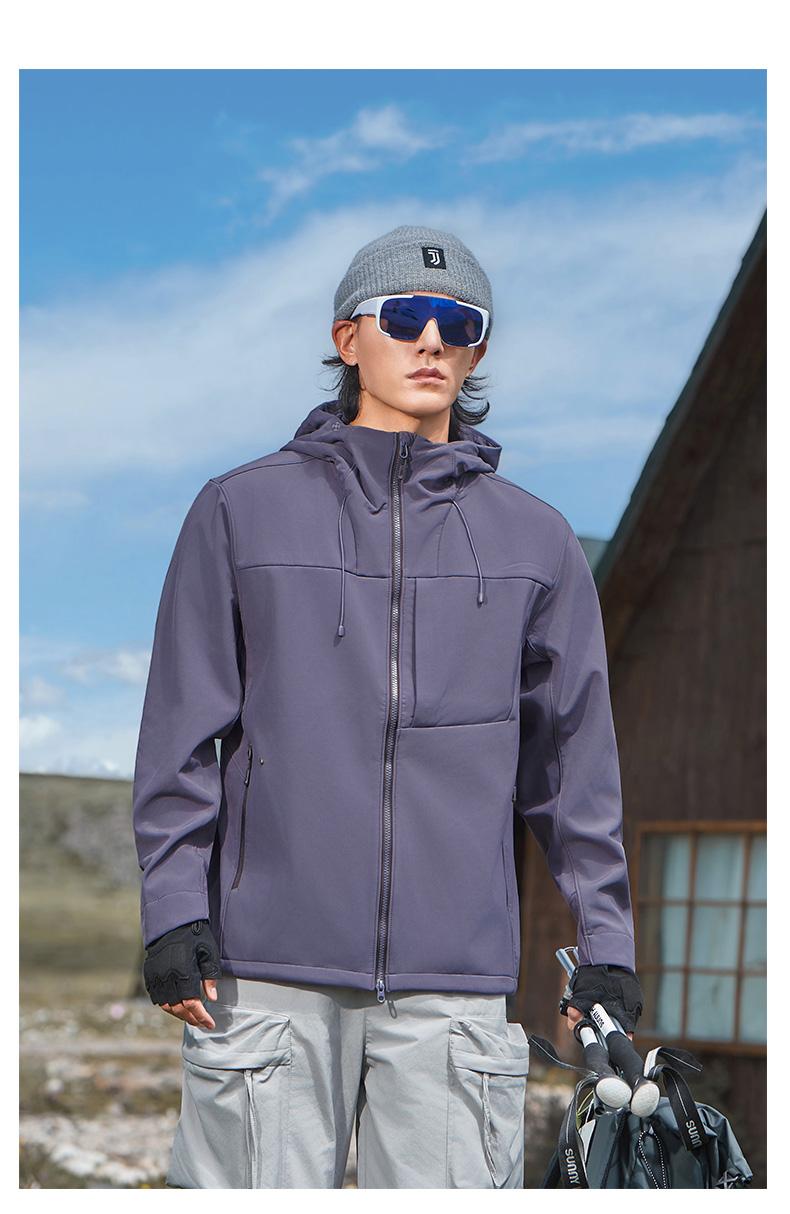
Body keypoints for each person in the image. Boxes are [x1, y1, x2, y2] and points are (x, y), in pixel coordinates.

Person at [132, 224, 644, 1189]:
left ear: (478, 351)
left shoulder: (538, 541)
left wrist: (605, 946)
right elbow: (180, 736)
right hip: (267, 973)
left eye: (460, 323)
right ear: (347, 338)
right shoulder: (240, 510)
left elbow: (573, 767)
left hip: (454, 987)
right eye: (405, 316)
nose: (433, 340)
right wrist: (172, 910)